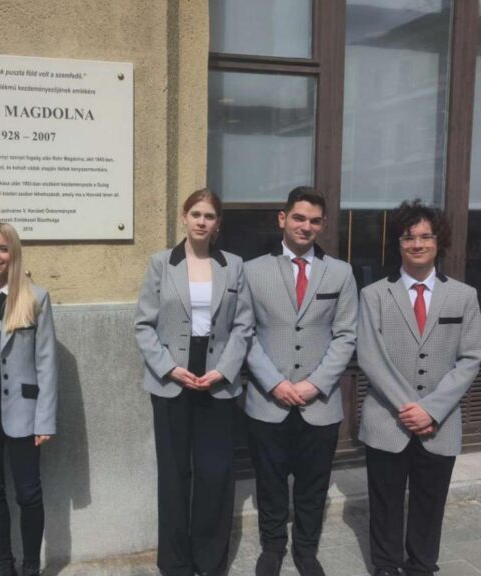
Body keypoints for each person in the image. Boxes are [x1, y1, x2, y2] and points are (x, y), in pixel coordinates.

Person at [357, 200, 481, 576]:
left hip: (439, 423)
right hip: (387, 419)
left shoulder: (463, 296)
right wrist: (408, 407)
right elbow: (370, 356)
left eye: (426, 236)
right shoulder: (374, 295)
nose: (417, 244)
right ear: (398, 243)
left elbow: (471, 358)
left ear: (438, 241)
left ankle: (422, 564)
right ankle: (385, 564)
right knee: (385, 500)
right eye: (408, 237)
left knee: (430, 501)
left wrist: (431, 409)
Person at [135, 188, 253, 576]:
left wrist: (225, 370)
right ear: (184, 217)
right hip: (172, 379)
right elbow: (143, 325)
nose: (202, 221)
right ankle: (175, 562)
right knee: (174, 474)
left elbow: (243, 326)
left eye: (210, 216)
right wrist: (168, 367)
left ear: (218, 223)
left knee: (215, 472)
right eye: (196, 214)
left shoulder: (233, 265)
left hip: (217, 379)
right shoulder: (161, 264)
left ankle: (209, 559)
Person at [244, 186, 357, 576]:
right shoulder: (252, 270)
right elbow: (244, 333)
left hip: (319, 403)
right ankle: (273, 546)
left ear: (322, 225)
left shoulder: (340, 272)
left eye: (314, 221)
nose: (306, 226)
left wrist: (315, 384)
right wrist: (274, 383)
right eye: (299, 218)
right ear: (283, 218)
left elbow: (346, 335)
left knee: (314, 484)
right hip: (267, 401)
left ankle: (306, 550)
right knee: (270, 482)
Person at [0, 222, 58, 576]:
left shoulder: (35, 299)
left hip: (24, 415)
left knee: (29, 494)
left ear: (14, 254)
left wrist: (45, 419)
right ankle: (3, 563)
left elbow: (47, 363)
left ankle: (31, 564)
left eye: (2, 249)